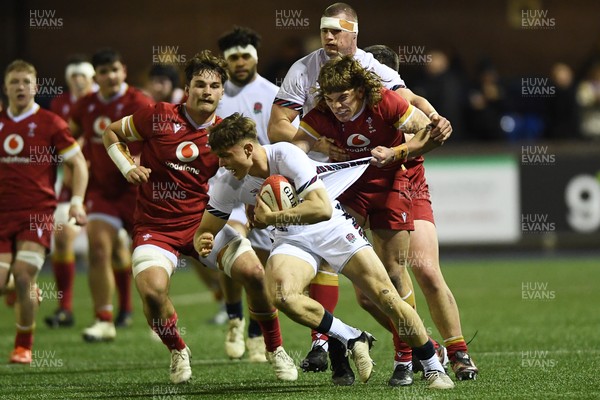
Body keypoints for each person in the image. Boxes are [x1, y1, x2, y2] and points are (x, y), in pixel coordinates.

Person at [196, 113, 454, 390]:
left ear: (248, 149)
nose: (222, 163)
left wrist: (271, 218)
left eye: (226, 155)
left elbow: (321, 209)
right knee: (282, 296)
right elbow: (206, 228)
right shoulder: (228, 181)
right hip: (290, 238)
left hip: (330, 227)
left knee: (385, 295)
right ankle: (352, 337)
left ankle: (433, 365)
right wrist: (204, 239)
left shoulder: (284, 154)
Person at [267, 2, 452, 385]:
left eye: (337, 31)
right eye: (324, 31)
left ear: (354, 33)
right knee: (358, 285)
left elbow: (417, 113)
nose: (330, 37)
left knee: (399, 273)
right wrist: (304, 157)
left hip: (388, 178)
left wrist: (420, 134)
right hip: (339, 182)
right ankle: (340, 341)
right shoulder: (305, 78)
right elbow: (282, 134)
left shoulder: (376, 79)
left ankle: (423, 356)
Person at [102, 51, 296, 383]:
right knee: (151, 292)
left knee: (253, 273)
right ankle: (178, 350)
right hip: (156, 226)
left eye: (215, 86)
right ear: (187, 88)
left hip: (204, 223)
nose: (207, 91)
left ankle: (275, 348)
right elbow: (111, 133)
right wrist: (128, 167)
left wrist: (256, 202)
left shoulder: (225, 135)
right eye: (200, 84)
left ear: (222, 92)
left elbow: (247, 172)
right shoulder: (158, 116)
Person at [364, 44, 479, 382]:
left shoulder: (399, 95)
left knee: (426, 271)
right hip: (368, 190)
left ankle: (458, 353)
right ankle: (426, 345)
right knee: (368, 295)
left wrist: (435, 118)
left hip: (409, 184)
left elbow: (423, 111)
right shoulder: (351, 101)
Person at [214, 25, 297, 362]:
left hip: (262, 186)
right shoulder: (215, 95)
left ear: (255, 57)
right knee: (232, 250)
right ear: (226, 61)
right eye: (233, 57)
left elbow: (285, 136)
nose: (240, 62)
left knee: (260, 270)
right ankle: (234, 317)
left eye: (245, 55)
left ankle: (254, 334)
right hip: (225, 183)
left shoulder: (274, 93)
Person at [0, 59, 88, 363]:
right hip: (2, 214)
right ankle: (23, 289)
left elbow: (78, 164)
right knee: (5, 284)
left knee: (24, 275)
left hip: (36, 213)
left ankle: (23, 345)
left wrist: (76, 200)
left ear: (36, 87)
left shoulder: (51, 123)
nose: (21, 87)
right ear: (6, 87)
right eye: (15, 82)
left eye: (26, 82)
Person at [69, 48, 154, 340]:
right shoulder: (85, 106)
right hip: (102, 191)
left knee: (147, 255)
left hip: (137, 190)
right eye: (104, 72)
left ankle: (159, 317)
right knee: (98, 250)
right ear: (97, 76)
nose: (110, 76)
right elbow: (70, 137)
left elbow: (157, 139)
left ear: (124, 71)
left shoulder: (139, 101)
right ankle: (104, 319)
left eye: (114, 70)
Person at [44, 57, 95, 328]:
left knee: (118, 249)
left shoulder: (102, 103)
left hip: (105, 189)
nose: (77, 80)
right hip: (71, 187)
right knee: (61, 237)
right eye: (73, 75)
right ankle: (65, 309)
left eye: (82, 75)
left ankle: (123, 309)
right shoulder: (59, 105)